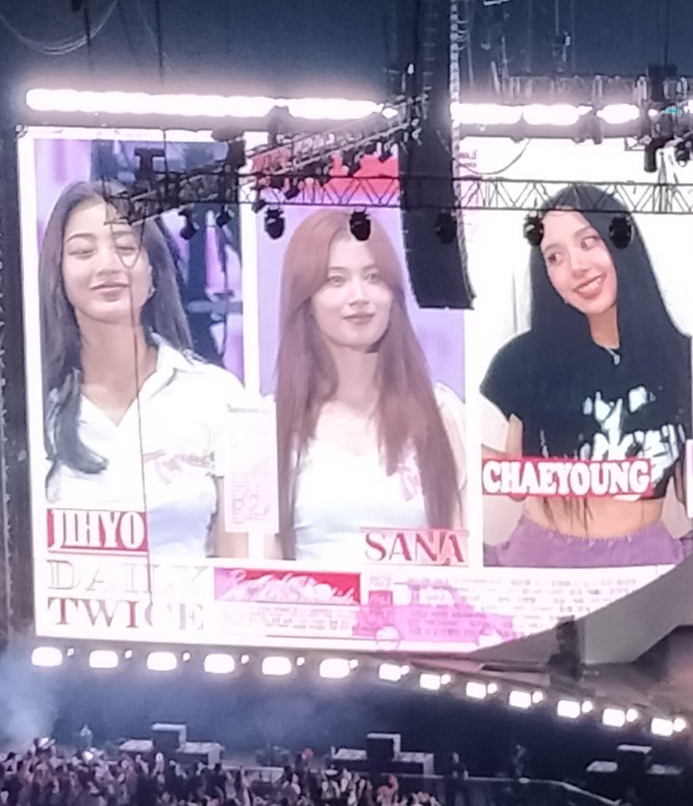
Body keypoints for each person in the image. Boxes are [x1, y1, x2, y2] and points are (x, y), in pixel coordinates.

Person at [480, 184, 693, 568]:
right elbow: (512, 483)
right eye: (554, 257)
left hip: (647, 563)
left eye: (588, 242)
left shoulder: (681, 358)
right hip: (543, 562)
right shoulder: (523, 360)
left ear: (621, 242)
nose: (576, 267)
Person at [39, 180, 247, 559]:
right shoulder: (30, 405)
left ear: (153, 270)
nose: (107, 265)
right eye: (83, 251)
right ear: (59, 274)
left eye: (125, 247)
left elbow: (242, 562)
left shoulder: (218, 395)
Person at [270, 210, 465, 562]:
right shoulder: (267, 428)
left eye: (374, 277)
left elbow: (463, 558)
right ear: (306, 300)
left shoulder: (442, 416)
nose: (359, 296)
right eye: (336, 280)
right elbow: (254, 574)